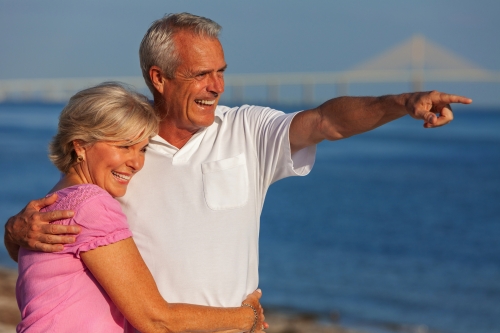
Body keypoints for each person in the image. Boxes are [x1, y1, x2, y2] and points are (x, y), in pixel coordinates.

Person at [4, 12, 472, 329]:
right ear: (159, 77)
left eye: (221, 71)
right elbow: (62, 227)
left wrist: (403, 102)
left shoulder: (247, 130)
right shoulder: (124, 147)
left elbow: (327, 121)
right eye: (201, 75)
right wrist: (15, 229)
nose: (216, 86)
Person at [14, 82, 265, 333]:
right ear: (80, 146)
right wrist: (246, 317)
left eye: (142, 148)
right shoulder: (90, 204)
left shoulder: (52, 203)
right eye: (124, 146)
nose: (136, 162)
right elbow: (157, 321)